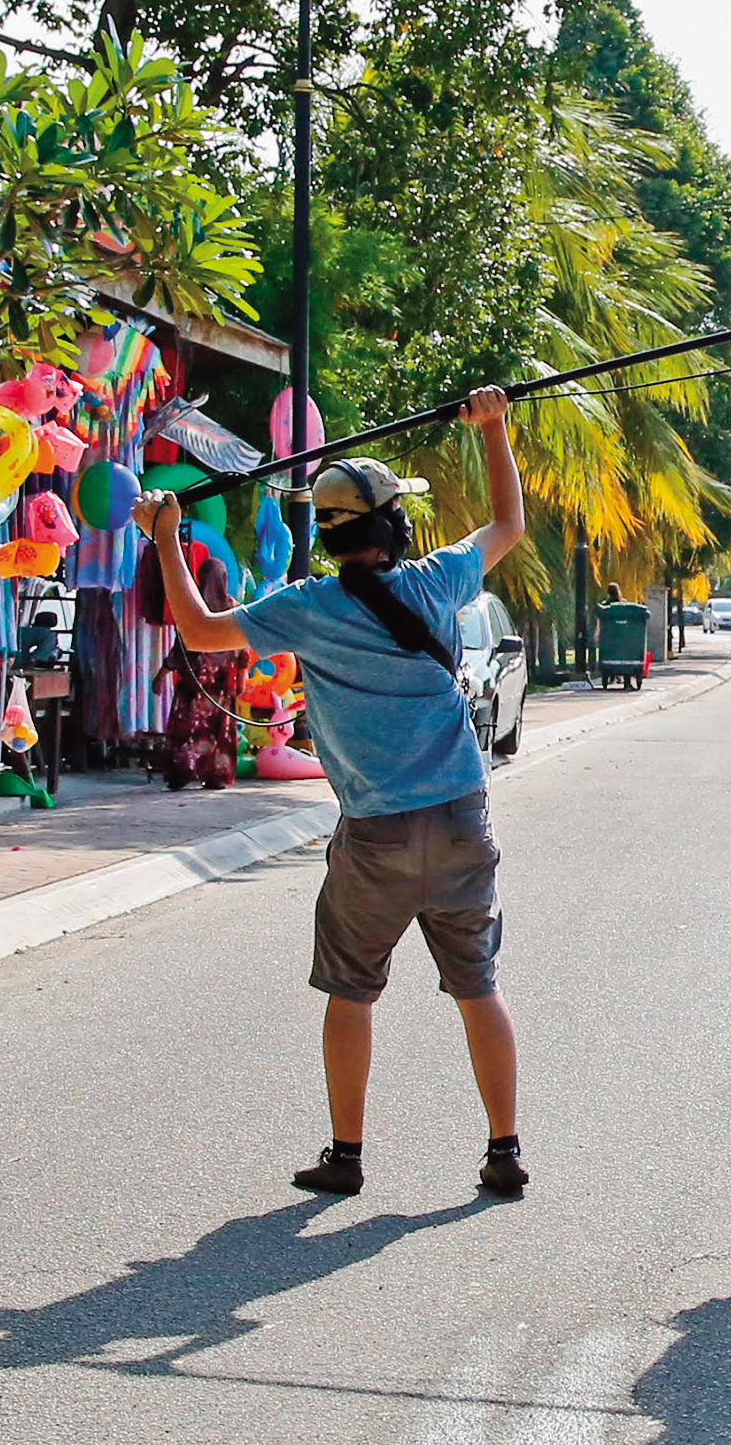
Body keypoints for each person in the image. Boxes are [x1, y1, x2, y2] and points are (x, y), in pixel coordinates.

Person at [139, 388, 530, 1202]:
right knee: (478, 987)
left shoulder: (307, 607)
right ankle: (504, 1149)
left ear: (329, 532)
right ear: (393, 526)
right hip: (460, 819)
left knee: (351, 992)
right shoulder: (436, 581)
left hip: (375, 838)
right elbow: (507, 524)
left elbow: (204, 628)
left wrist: (168, 540)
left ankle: (346, 1156)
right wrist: (494, 429)